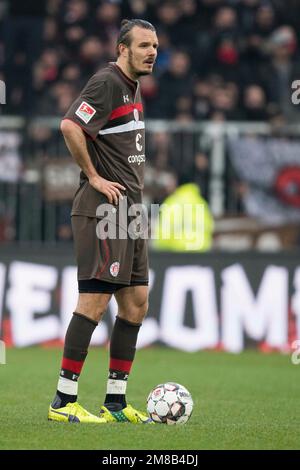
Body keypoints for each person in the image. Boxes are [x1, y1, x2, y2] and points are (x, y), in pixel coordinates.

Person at [48, 19, 159, 424]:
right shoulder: (108, 81)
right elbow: (70, 125)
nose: (152, 52)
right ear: (122, 49)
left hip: (129, 213)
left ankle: (114, 402)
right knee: (94, 303)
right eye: (144, 45)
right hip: (103, 210)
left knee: (135, 303)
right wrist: (94, 176)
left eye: (155, 46)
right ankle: (63, 401)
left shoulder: (132, 86)